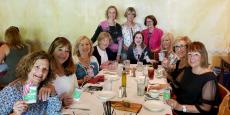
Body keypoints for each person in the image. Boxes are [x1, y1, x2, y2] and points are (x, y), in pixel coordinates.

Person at [166, 41, 219, 114]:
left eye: (196, 54)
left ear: (203, 56)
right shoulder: (187, 70)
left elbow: (205, 108)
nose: (192, 58)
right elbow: (176, 85)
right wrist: (163, 87)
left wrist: (180, 107)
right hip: (178, 108)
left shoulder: (209, 78)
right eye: (189, 54)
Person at [48, 37, 78, 108]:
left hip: (71, 109)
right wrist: (60, 102)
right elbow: (39, 105)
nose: (63, 54)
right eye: (60, 49)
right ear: (52, 51)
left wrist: (74, 100)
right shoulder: (45, 71)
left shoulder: (70, 70)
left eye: (67, 51)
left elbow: (77, 90)